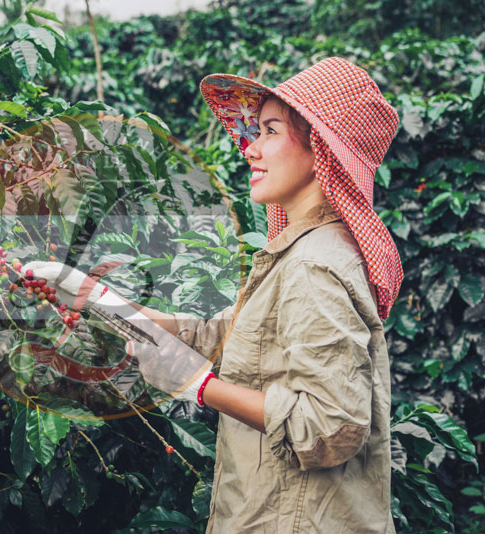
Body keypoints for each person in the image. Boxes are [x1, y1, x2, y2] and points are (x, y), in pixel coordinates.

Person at [24, 57, 403, 533]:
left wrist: (196, 384)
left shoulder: (314, 265)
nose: (250, 149)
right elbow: (222, 335)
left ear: (320, 148)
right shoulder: (300, 252)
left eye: (270, 131)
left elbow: (330, 427)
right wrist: (96, 298)